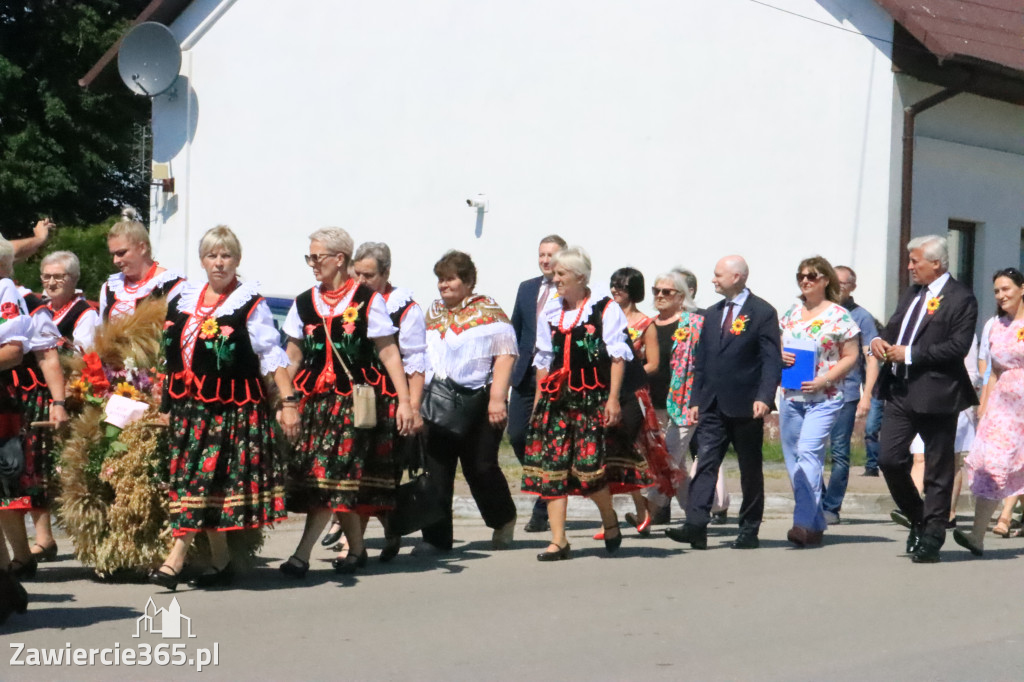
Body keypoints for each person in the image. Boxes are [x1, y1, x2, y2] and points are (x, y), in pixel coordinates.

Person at [149, 226, 298, 591]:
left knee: (201, 479)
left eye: (226, 255)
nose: (219, 262)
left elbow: (270, 355)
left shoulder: (250, 302)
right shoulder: (182, 298)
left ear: (237, 261)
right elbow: (172, 358)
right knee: (200, 483)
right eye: (213, 255)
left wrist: (289, 401)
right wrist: (166, 403)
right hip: (189, 409)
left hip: (229, 410)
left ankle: (175, 560)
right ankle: (221, 563)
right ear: (202, 260)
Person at [279, 228, 413, 577]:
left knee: (330, 476)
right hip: (314, 405)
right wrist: (283, 400)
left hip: (355, 404)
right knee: (333, 480)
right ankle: (356, 549)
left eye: (317, 256)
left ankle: (301, 555)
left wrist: (405, 402)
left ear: (339, 259)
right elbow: (292, 357)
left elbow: (389, 352)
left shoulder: (369, 300)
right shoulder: (304, 302)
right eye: (309, 256)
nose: (312, 263)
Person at [522, 246, 643, 561]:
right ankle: (559, 540)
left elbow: (618, 358)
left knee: (590, 471)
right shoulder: (551, 309)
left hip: (592, 399)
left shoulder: (605, 309)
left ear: (579, 276)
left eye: (561, 274)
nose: (555, 278)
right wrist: (539, 403)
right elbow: (544, 360)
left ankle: (610, 520)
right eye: (555, 274)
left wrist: (613, 399)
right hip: (556, 401)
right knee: (553, 470)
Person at [871, 235, 978, 564]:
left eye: (915, 261)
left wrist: (911, 355)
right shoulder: (914, 293)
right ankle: (918, 516)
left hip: (937, 392)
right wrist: (879, 340)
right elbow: (894, 328)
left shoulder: (961, 298)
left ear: (936, 263)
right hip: (900, 390)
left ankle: (933, 534)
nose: (909, 267)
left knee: (937, 467)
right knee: (889, 458)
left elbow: (957, 347)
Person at [319, 241, 427, 562]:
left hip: (387, 400)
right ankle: (363, 536)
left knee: (376, 475)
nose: (362, 280)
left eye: (369, 275)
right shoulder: (349, 300)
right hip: (350, 398)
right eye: (358, 273)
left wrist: (413, 407)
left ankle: (364, 539)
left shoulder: (405, 308)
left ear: (386, 273)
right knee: (353, 471)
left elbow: (415, 362)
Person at [665, 255, 782, 550]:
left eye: (718, 275)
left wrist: (765, 397)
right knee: (705, 462)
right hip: (712, 404)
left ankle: (749, 528)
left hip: (747, 403)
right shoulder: (713, 314)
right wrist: (695, 399)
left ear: (738, 277)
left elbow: (771, 359)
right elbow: (701, 361)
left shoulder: (762, 312)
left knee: (749, 468)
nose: (713, 280)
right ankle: (696, 524)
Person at [418, 250, 518, 553]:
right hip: (437, 400)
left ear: (469, 281)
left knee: (481, 467)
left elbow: (505, 353)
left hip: (479, 402)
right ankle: (436, 539)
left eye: (450, 279)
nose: (443, 285)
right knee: (435, 469)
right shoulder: (433, 312)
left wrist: (498, 399)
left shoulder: (487, 310)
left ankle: (503, 519)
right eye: (440, 279)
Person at [778, 257, 859, 546]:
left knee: (809, 452)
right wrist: (780, 355)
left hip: (824, 396)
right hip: (791, 395)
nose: (805, 281)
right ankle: (815, 523)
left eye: (812, 276)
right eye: (800, 276)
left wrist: (825, 379)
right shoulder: (790, 313)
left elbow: (851, 355)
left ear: (825, 279)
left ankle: (802, 522)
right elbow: (777, 344)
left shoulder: (839, 316)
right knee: (792, 459)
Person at [0, 238, 68, 578]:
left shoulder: (26, 301)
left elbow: (47, 354)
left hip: (22, 393)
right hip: (10, 392)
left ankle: (33, 546)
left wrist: (58, 401)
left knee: (23, 474)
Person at [954, 268, 1024, 556]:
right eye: (996, 290)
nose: (1001, 295)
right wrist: (984, 404)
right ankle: (977, 536)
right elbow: (992, 371)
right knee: (993, 466)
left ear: (1022, 289)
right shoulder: (996, 325)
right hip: (1003, 410)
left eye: (1006, 289)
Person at [643, 270, 710, 526]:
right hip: (653, 404)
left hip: (684, 404)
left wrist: (699, 399)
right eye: (656, 291)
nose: (659, 296)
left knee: (667, 456)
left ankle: (647, 514)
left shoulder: (694, 324)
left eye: (666, 292)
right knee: (677, 464)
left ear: (681, 296)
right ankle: (697, 512)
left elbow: (704, 364)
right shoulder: (649, 324)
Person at [508, 235, 565, 533]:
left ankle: (544, 505)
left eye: (551, 255)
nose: (545, 260)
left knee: (548, 439)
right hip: (524, 374)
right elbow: (515, 331)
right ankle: (545, 486)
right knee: (518, 434)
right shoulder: (527, 288)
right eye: (541, 254)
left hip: (555, 375)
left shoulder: (568, 290)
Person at [600, 266, 663, 537]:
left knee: (626, 451)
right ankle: (623, 516)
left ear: (634, 290)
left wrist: (627, 371)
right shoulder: (603, 317)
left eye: (622, 286)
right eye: (614, 285)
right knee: (606, 457)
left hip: (632, 396)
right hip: (608, 392)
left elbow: (654, 364)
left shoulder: (644, 323)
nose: (616, 290)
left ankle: (641, 510)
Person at [821, 265, 879, 524]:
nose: (837, 286)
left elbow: (872, 358)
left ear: (852, 287)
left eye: (843, 283)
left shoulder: (861, 317)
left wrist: (867, 394)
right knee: (809, 450)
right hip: (815, 392)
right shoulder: (819, 311)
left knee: (840, 453)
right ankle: (817, 500)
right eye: (833, 281)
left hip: (845, 393)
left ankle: (831, 507)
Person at [99, 208, 185, 322]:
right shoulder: (110, 288)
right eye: (113, 254)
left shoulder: (171, 285)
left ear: (142, 248)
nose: (115, 260)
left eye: (121, 253)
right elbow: (101, 331)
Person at [38, 251, 100, 353]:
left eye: (58, 277)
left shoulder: (85, 314)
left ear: (74, 279)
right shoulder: (40, 308)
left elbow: (82, 355)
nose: (51, 283)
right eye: (46, 277)